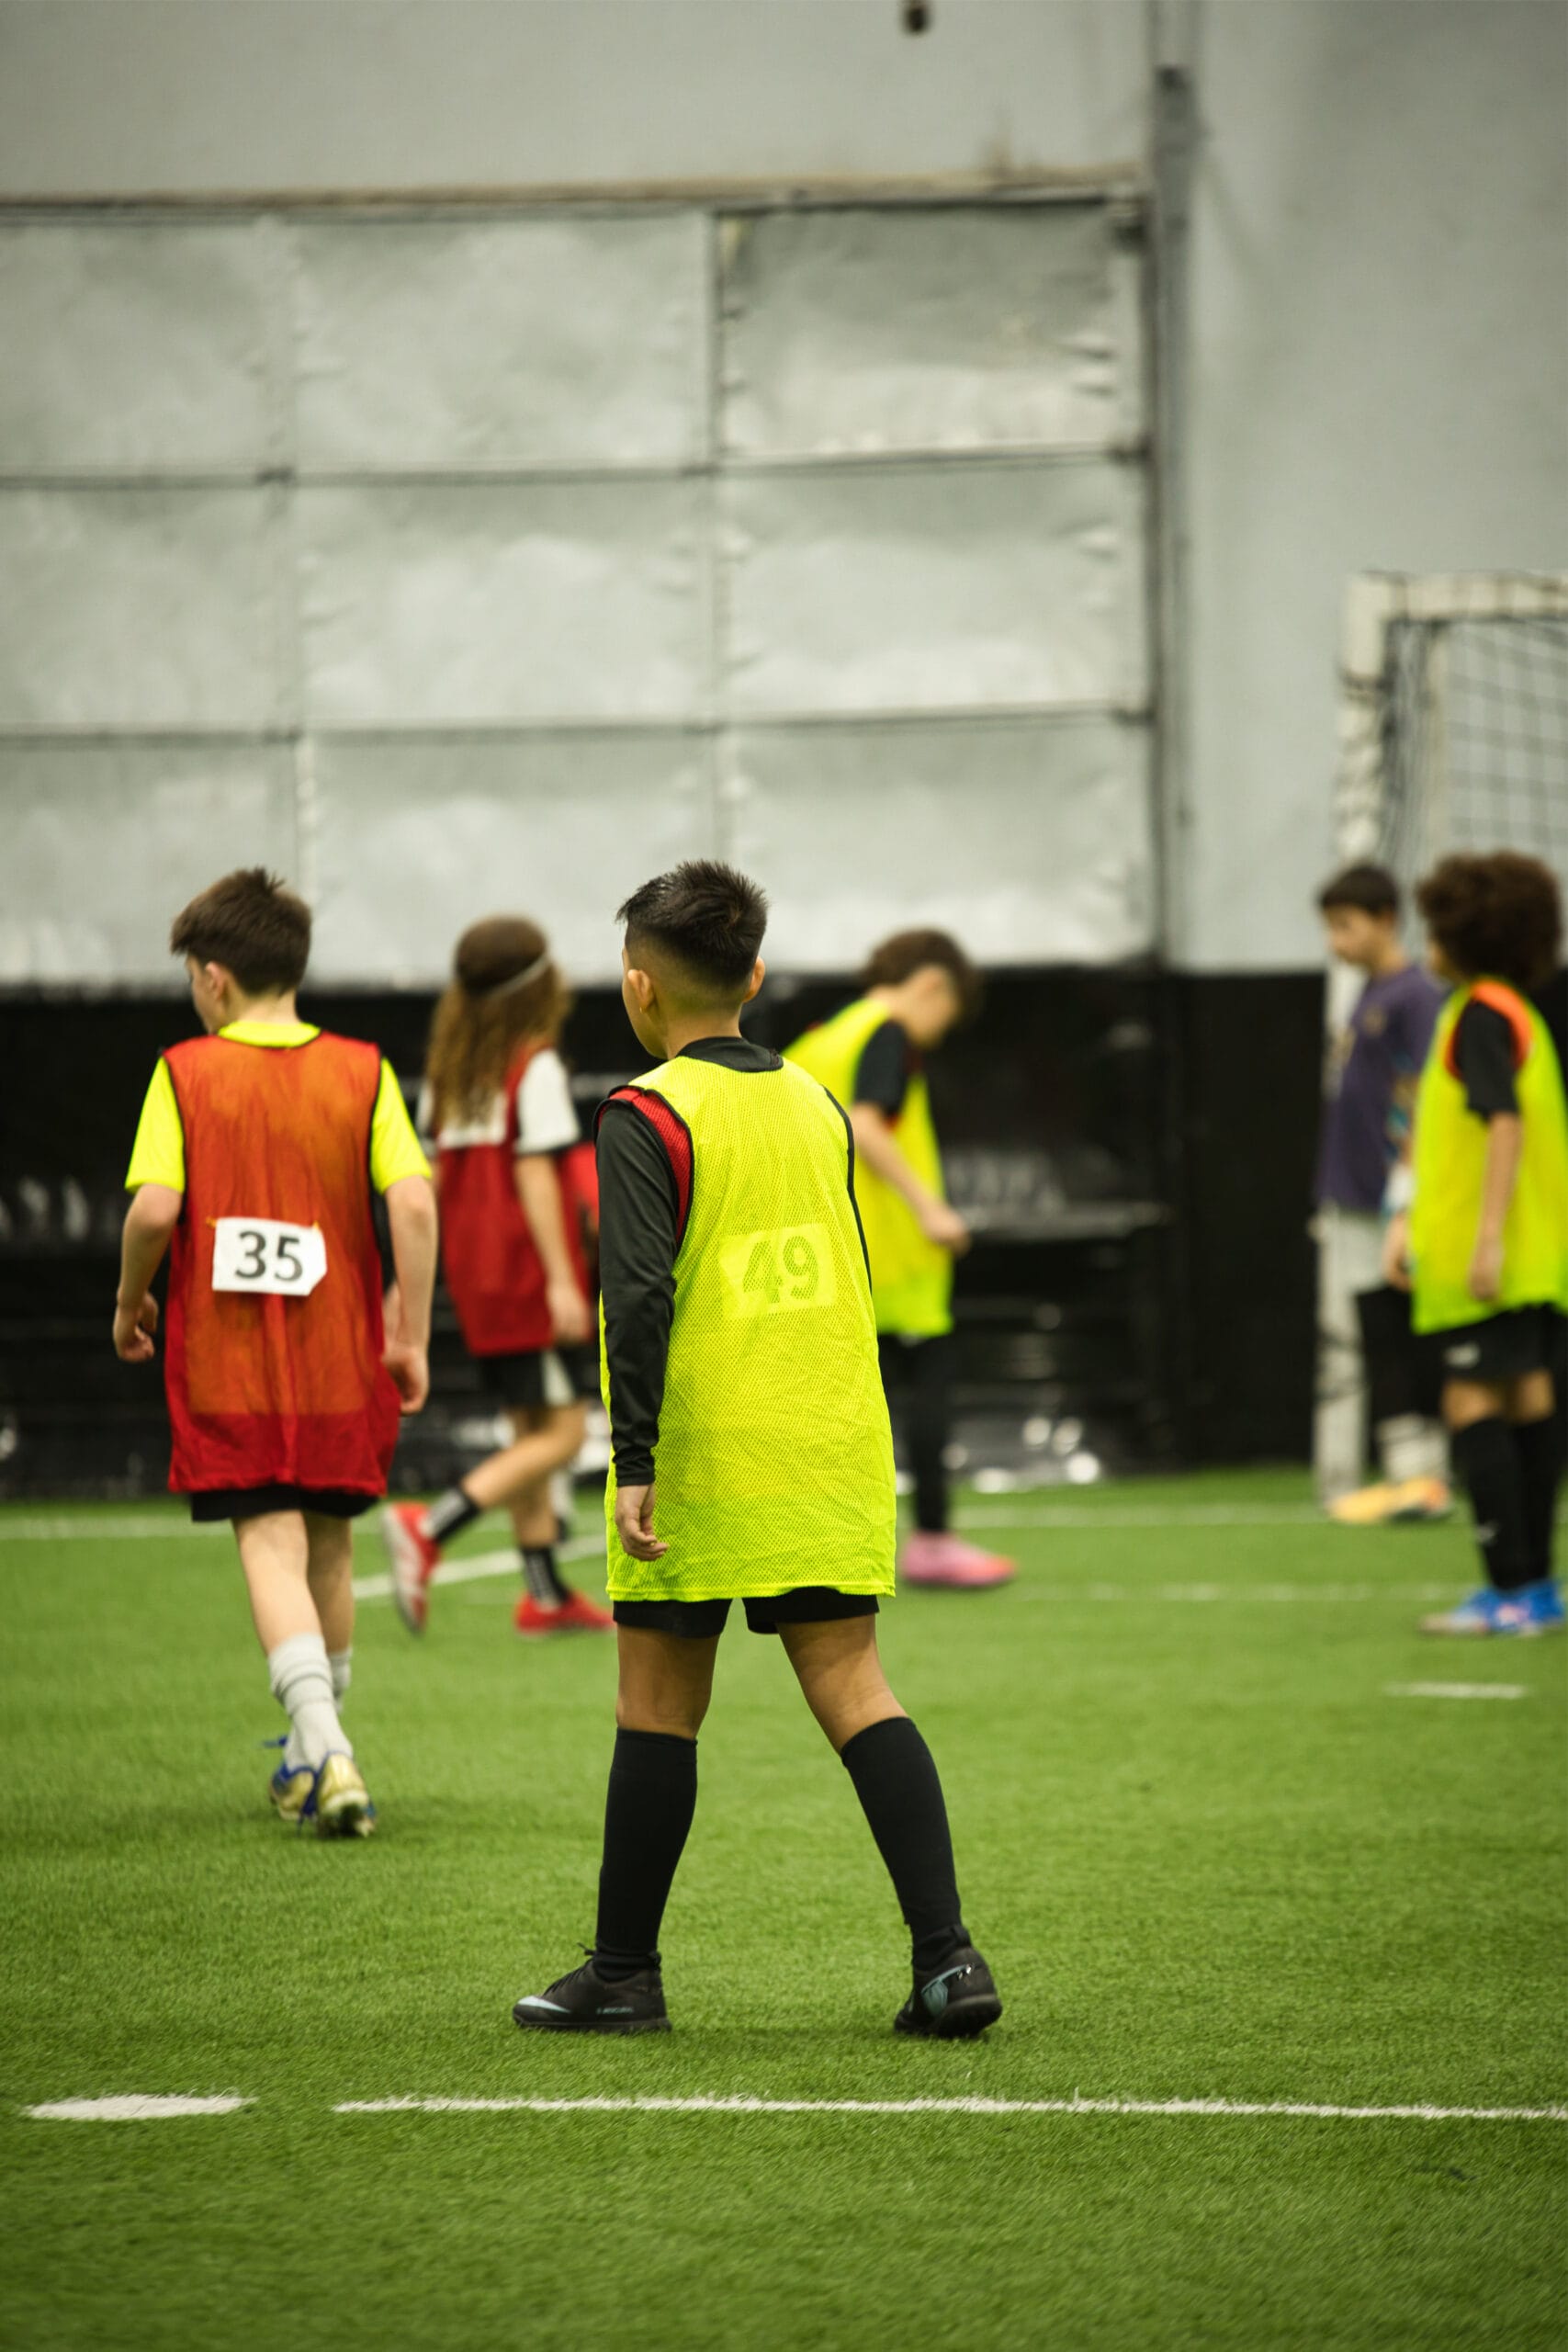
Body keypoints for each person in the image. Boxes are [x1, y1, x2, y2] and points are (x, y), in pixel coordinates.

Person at [511, 863, 1000, 2038]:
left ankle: (623, 1973)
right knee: (856, 1685)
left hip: (702, 1449)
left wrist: (633, 1461)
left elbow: (635, 1297)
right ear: (758, 978)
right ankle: (952, 1962)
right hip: (829, 1432)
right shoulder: (818, 1101)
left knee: (658, 1709)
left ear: (637, 988)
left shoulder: (643, 1111)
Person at [114, 868, 437, 1835]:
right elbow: (414, 1202)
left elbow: (157, 1207)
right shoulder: (365, 1069)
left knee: (268, 1539)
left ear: (213, 980)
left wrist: (132, 1298)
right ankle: (309, 1752)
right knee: (328, 1545)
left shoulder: (184, 1071)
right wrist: (410, 1329)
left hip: (231, 1357)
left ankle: (327, 1749)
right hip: (343, 1355)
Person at [381, 918, 612, 1637]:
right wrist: (562, 1281)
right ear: (541, 986)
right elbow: (534, 1173)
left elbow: (437, 1181)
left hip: (479, 1276)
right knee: (565, 1436)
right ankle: (432, 1526)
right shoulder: (532, 1065)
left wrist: (408, 1280)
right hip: (526, 1271)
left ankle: (543, 1596)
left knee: (528, 1428)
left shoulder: (452, 1078)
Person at [784, 933, 1012, 1589]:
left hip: (820, 1257)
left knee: (827, 1409)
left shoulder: (822, 1038)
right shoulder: (885, 1033)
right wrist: (929, 1208)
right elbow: (865, 1123)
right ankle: (933, 1540)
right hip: (888, 1259)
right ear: (931, 985)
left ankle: (819, 1542)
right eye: (947, 1015)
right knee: (925, 1394)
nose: (938, 1035)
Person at [1383, 854, 1568, 1636]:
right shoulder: (1516, 1009)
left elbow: (1501, 1124)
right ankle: (1538, 1587)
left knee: (1469, 1404)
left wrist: (1483, 1240)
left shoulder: (1479, 1015)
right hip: (1535, 1256)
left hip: (1484, 1261)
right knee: (1528, 1397)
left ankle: (1506, 1591)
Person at [1312, 864, 1450, 1521]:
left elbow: (1423, 1096)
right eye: (1330, 928)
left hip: (1391, 1200)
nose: (1336, 941)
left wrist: (1406, 1189)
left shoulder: (1415, 994)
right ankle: (1405, 1475)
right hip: (1352, 1193)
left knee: (1405, 1330)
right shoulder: (1367, 993)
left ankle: (1427, 1474)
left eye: (1346, 925)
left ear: (1387, 920)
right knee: (1376, 1329)